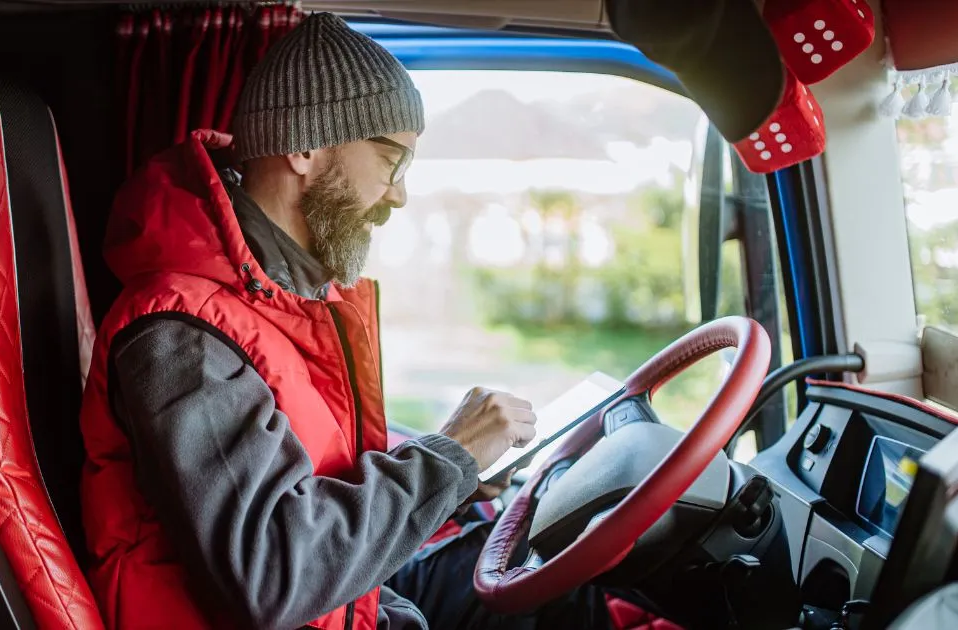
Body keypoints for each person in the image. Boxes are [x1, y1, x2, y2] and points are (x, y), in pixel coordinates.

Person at [79, 12, 616, 630]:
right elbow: (275, 572)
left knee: (549, 584)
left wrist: (453, 478)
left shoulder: (283, 302)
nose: (398, 196)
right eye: (391, 161)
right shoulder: (184, 337)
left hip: (342, 607)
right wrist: (449, 457)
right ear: (306, 146)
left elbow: (315, 494)